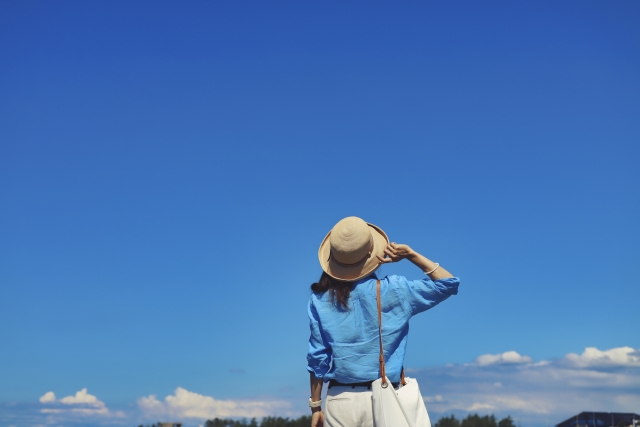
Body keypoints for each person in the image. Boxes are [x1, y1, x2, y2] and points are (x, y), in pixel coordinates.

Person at [306, 216, 460, 427]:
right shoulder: (395, 290)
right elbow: (449, 284)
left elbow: (317, 358)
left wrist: (315, 406)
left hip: (338, 400)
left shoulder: (320, 299)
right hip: (383, 399)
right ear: (371, 252)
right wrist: (411, 255)